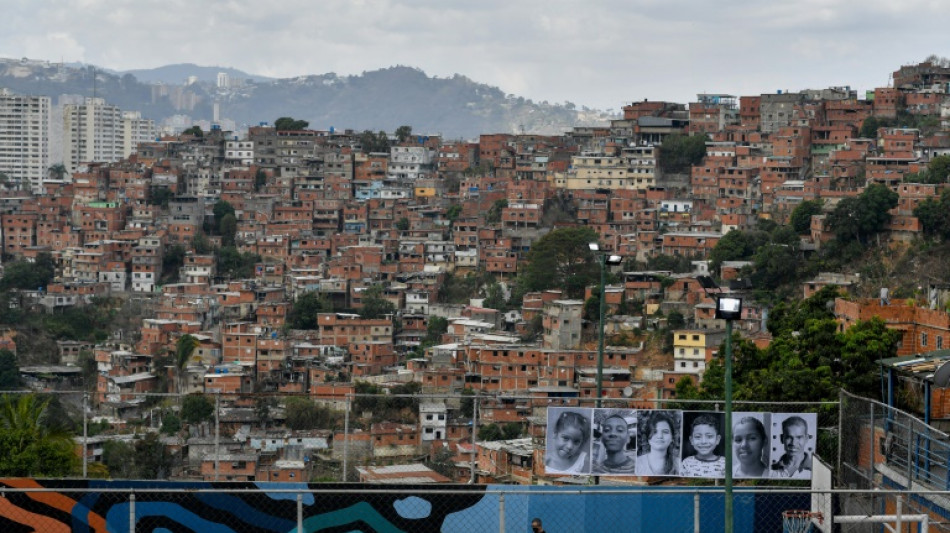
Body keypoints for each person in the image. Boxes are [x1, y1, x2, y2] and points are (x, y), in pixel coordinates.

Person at [635, 411, 679, 476]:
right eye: (654, 432)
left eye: (665, 432)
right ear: (648, 438)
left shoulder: (680, 464)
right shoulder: (637, 463)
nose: (660, 436)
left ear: (672, 438)